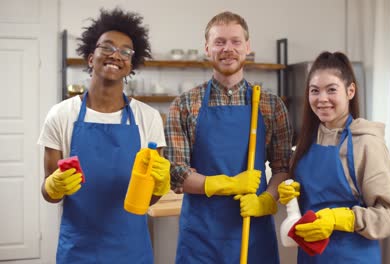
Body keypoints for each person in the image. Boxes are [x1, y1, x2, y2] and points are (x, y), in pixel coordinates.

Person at [37, 8, 170, 263]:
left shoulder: (148, 117)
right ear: (90, 58)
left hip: (131, 251)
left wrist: (160, 185)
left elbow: (150, 199)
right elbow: (49, 194)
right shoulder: (62, 115)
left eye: (125, 51)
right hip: (78, 251)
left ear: (131, 64)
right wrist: (52, 186)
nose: (116, 55)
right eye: (107, 47)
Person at [164, 11, 292, 264]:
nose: (228, 49)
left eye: (235, 41)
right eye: (220, 42)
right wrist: (226, 184)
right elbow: (177, 174)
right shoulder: (185, 104)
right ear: (207, 48)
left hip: (252, 232)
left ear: (247, 46)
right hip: (201, 238)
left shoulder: (270, 105)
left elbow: (283, 169)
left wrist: (266, 200)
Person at [278, 51, 390, 263]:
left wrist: (342, 218)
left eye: (331, 90)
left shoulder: (366, 143)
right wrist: (292, 198)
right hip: (311, 257)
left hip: (352, 256)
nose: (322, 99)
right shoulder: (306, 142)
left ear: (350, 91)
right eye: (315, 91)